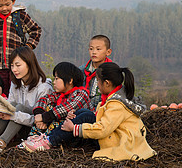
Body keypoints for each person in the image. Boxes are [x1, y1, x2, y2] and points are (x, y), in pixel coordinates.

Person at [24, 62, 157, 162]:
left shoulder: (117, 104)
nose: (97, 85)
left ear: (107, 83)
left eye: (98, 81)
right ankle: (46, 139)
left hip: (120, 142)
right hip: (112, 136)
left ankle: (48, 141)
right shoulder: (109, 99)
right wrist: (75, 116)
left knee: (86, 115)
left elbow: (103, 129)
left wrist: (75, 127)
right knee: (83, 112)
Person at [0, 46, 53, 156]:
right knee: (12, 105)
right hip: (16, 127)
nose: (14, 69)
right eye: (12, 65)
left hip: (34, 129)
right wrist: (0, 112)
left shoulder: (44, 87)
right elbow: (10, 105)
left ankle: (0, 143)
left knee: (19, 107)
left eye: (18, 65)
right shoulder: (16, 83)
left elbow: (40, 120)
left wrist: (13, 115)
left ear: (29, 63)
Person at [24, 62, 90, 140]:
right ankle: (33, 138)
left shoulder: (81, 93)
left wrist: (44, 117)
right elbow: (43, 99)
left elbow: (68, 108)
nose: (54, 82)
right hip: (60, 130)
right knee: (48, 106)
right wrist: (40, 117)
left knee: (58, 117)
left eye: (57, 78)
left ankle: (44, 140)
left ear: (70, 80)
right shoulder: (58, 94)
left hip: (76, 135)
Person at [79, 35, 112, 111]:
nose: (94, 52)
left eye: (98, 49)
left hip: (103, 109)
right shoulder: (82, 70)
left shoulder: (112, 72)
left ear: (108, 52)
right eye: (91, 49)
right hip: (82, 107)